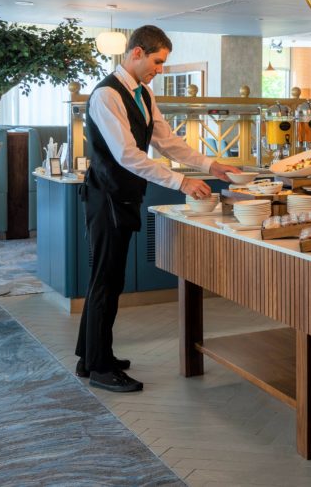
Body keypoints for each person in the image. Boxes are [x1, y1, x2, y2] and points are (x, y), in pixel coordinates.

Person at [75, 25, 242, 393]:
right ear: (135, 53)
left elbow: (168, 142)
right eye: (157, 61)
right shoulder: (107, 95)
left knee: (109, 279)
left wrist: (210, 166)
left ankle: (89, 358)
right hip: (106, 199)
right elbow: (127, 154)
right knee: (106, 280)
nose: (160, 69)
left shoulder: (143, 93)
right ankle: (101, 368)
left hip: (123, 198)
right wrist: (180, 182)